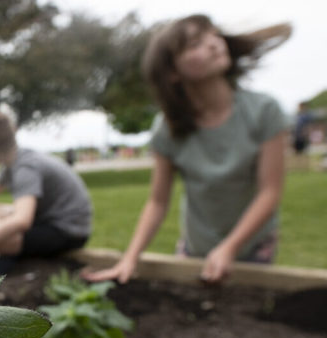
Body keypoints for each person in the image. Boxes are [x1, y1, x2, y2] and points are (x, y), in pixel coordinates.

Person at [84, 14, 291, 285]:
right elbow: (158, 201)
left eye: (214, 35)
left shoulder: (264, 111)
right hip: (195, 247)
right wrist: (130, 258)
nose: (214, 44)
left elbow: (269, 191)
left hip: (252, 246)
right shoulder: (168, 129)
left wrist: (230, 247)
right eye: (195, 44)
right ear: (172, 72)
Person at [0, 108, 92, 275]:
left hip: (69, 230)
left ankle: (2, 255)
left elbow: (22, 220)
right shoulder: (17, 159)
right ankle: (6, 249)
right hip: (52, 219)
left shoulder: (25, 169)